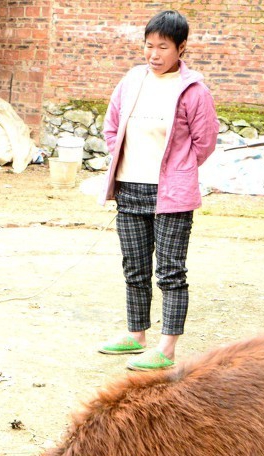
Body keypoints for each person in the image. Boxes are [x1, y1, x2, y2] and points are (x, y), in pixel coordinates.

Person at [98, 9, 218, 371]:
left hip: (171, 194)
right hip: (129, 188)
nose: (153, 54)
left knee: (170, 271)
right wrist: (121, 157)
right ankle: (136, 335)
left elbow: (205, 141)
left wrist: (179, 170)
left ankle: (167, 347)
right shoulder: (132, 81)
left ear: (181, 48)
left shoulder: (194, 90)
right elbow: (111, 126)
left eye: (162, 47)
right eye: (148, 46)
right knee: (134, 266)